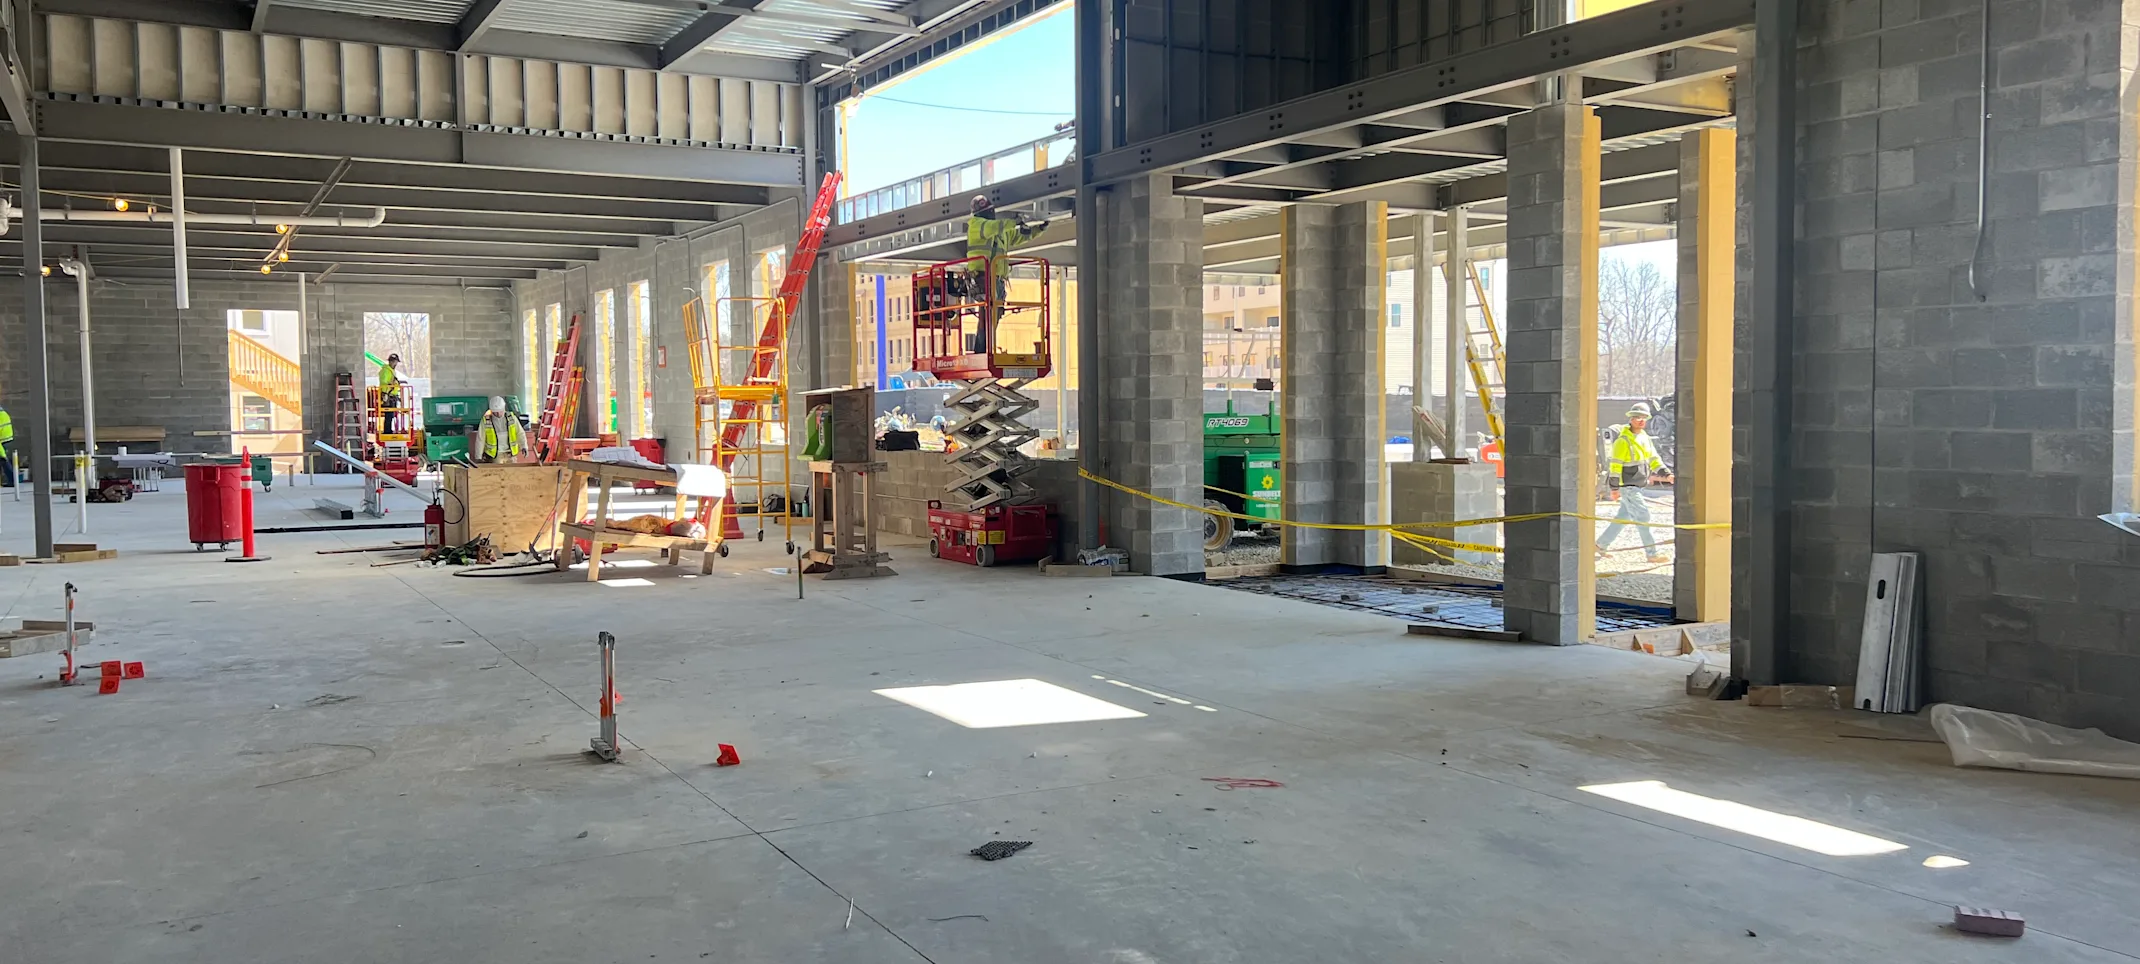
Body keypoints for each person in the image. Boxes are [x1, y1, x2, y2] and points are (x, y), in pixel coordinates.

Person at [1597, 401, 1674, 564]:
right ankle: (1652, 553)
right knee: (1643, 516)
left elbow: (1654, 459)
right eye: (1637, 417)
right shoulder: (1623, 441)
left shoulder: (1644, 438)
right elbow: (1615, 466)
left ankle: (1600, 545)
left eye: (1644, 418)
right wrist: (1615, 488)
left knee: (1623, 517)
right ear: (1630, 419)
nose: (1640, 420)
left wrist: (1667, 474)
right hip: (1628, 486)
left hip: (1637, 485)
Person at [964, 195, 1045, 349]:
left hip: (997, 278)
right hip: (983, 277)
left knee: (995, 313)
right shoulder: (977, 225)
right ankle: (982, 350)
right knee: (987, 315)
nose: (991, 214)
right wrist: (1015, 221)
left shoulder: (1001, 231)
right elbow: (995, 227)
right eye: (988, 211)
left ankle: (984, 349)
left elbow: (1019, 236)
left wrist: (1038, 229)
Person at [479, 396, 525, 463]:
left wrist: (524, 446)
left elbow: (520, 433)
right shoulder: (486, 421)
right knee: (498, 473)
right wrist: (479, 456)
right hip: (496, 455)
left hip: (510, 453)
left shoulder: (512, 418)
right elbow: (480, 439)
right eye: (495, 412)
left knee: (513, 472)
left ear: (503, 408)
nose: (498, 414)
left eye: (500, 411)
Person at [377, 353, 407, 433]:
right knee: (389, 414)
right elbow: (384, 383)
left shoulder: (391, 371)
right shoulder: (386, 371)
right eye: (394, 361)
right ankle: (387, 431)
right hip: (387, 395)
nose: (395, 363)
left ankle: (389, 430)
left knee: (391, 414)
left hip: (392, 395)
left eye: (395, 362)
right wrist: (385, 393)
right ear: (391, 362)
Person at [0, 403, 14, 487]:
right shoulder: (4, 413)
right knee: (3, 461)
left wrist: (2, 454)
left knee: (3, 460)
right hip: (8, 439)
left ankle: (12, 480)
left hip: (2, 441)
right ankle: (12, 480)